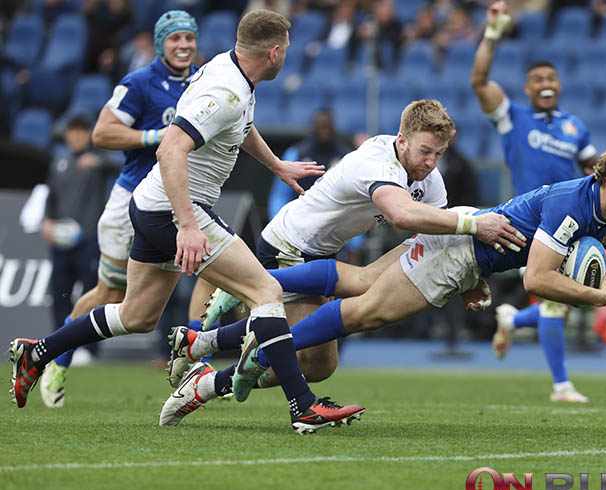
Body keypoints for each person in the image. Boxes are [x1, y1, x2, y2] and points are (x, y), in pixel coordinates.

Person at [11, 9, 364, 435]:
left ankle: (37, 352)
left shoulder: (230, 68)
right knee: (266, 290)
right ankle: (302, 407)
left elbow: (243, 126)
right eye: (285, 50)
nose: (285, 57)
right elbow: (170, 150)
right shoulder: (227, 90)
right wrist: (189, 226)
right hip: (175, 209)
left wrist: (276, 166)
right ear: (274, 52)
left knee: (136, 315)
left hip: (149, 203)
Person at [163, 140, 606, 423]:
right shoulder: (574, 202)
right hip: (460, 250)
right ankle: (224, 372)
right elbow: (540, 279)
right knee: (365, 313)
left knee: (361, 285)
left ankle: (208, 342)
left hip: (472, 252)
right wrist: (601, 295)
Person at [163, 99, 525, 411]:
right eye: (424, 151)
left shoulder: (429, 180)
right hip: (289, 244)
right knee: (319, 330)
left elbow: (433, 236)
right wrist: (474, 224)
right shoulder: (379, 162)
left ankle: (205, 348)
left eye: (438, 154)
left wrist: (469, 281)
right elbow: (402, 215)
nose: (430, 162)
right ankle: (208, 378)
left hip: (321, 254)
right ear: (402, 140)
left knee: (320, 364)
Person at [36, 10, 214, 409]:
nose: (183, 45)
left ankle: (192, 362)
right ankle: (55, 360)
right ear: (159, 43)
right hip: (131, 199)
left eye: (189, 38)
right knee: (109, 292)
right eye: (175, 39)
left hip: (180, 201)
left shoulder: (206, 81)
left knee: (210, 272)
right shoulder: (139, 83)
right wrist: (155, 136)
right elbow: (101, 133)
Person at [470, 1, 598, 402]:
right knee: (556, 302)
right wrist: (492, 34)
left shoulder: (575, 127)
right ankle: (561, 385)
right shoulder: (514, 118)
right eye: (537, 77)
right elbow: (479, 80)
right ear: (527, 87)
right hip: (530, 221)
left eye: (551, 77)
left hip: (570, 223)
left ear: (559, 85)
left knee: (558, 302)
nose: (545, 82)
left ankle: (511, 319)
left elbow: (596, 169)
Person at [40, 115, 116, 342]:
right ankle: (58, 342)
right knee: (60, 293)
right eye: (74, 131)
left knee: (91, 292)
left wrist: (99, 162)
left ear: (89, 135)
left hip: (89, 239)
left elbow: (121, 164)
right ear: (67, 135)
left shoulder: (99, 161)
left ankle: (89, 347)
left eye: (82, 132)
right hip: (61, 240)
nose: (77, 136)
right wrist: (46, 222)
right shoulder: (58, 163)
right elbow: (50, 198)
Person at [267, 108, 352, 218]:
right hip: (300, 217)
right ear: (313, 127)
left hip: (335, 220)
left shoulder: (346, 156)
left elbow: (353, 195)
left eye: (327, 127)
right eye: (321, 126)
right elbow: (280, 195)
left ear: (333, 128)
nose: (324, 131)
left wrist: (357, 234)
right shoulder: (296, 154)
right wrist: (278, 220)